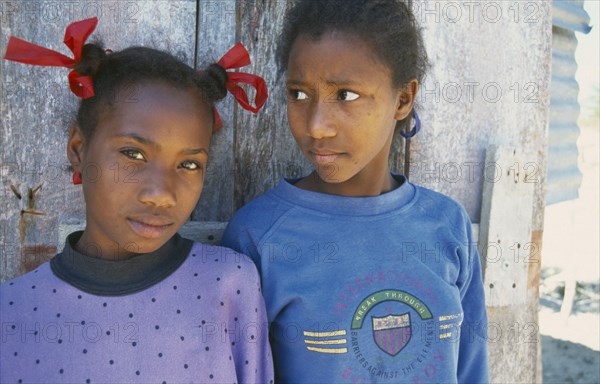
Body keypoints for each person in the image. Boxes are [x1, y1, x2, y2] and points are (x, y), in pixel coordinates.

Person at [221, 1, 489, 383]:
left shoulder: (446, 224)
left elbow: (471, 368)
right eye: (298, 93)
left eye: (345, 95)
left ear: (403, 99)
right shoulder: (259, 235)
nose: (316, 126)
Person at [1, 17, 273, 384]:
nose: (161, 194)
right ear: (79, 150)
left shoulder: (230, 286)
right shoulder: (13, 311)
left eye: (189, 163)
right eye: (133, 154)